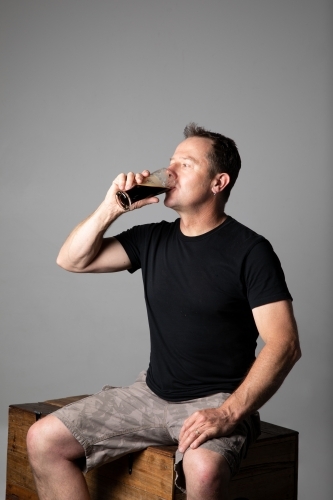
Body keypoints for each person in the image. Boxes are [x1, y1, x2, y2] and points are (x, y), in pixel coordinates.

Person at [27, 124, 301, 500]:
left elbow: (284, 344)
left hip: (217, 399)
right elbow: (70, 259)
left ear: (218, 182)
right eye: (170, 161)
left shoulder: (251, 251)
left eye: (185, 165)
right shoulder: (151, 238)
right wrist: (113, 205)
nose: (169, 171)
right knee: (43, 440)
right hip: (152, 392)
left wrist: (229, 413)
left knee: (203, 469)